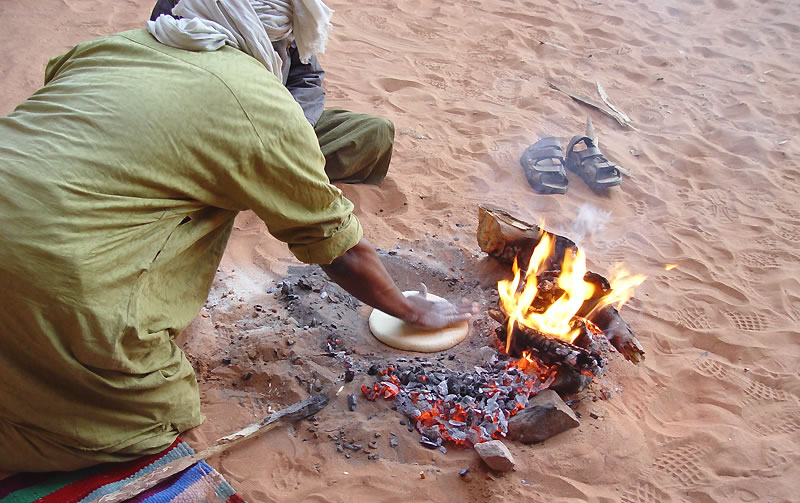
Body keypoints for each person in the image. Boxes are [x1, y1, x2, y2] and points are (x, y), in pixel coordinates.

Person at [0, 0, 472, 473]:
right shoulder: (256, 99)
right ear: (277, 37)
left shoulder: (107, 46)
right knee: (147, 419)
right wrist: (409, 309)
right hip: (51, 270)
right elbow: (339, 250)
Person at [150, 0, 395, 185]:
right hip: (206, 133)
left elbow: (307, 77)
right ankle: (262, 179)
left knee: (375, 132)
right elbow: (160, 76)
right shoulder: (187, 5)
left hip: (275, 128)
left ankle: (259, 176)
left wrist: (294, 125)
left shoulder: (285, 8)